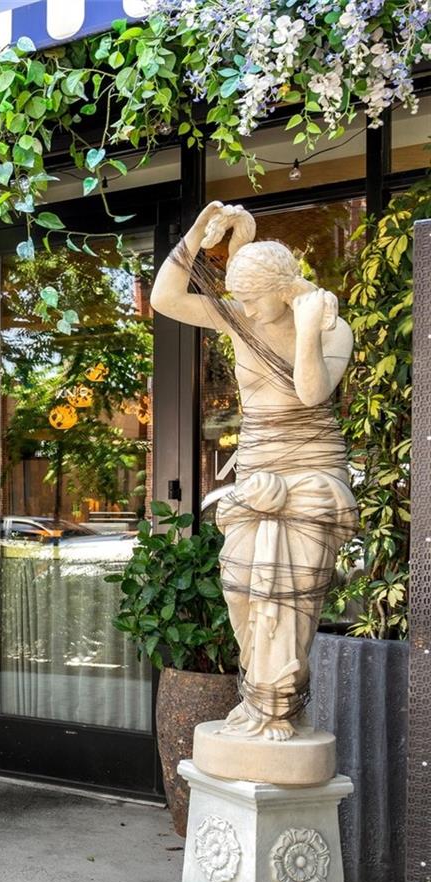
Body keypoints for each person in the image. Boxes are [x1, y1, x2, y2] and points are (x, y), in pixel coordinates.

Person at [150, 201, 356, 741]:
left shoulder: (332, 328)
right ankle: (258, 699)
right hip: (256, 475)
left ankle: (280, 707)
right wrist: (197, 233)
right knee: (241, 585)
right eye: (237, 297)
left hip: (312, 479)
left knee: (287, 598)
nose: (240, 307)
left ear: (285, 290)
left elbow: (310, 392)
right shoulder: (243, 316)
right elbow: (165, 298)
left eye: (251, 297)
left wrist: (308, 327)